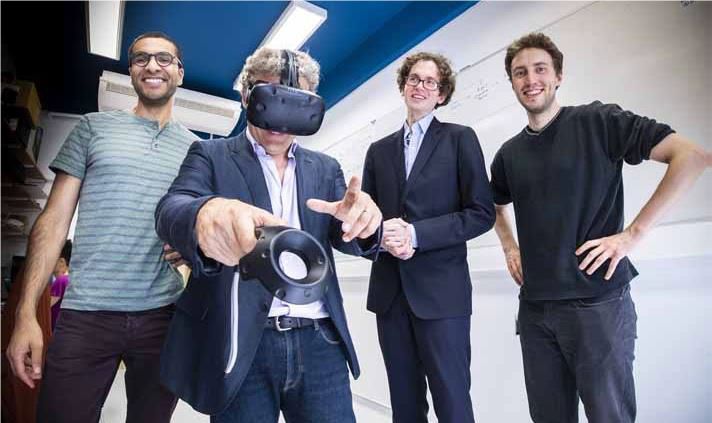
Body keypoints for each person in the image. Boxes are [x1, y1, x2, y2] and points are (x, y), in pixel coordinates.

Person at [490, 32, 710, 423]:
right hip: (536, 310)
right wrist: (509, 246)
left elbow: (690, 157)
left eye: (540, 69)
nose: (531, 79)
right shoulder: (509, 154)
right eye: (520, 73)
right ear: (512, 83)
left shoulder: (598, 121)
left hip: (598, 305)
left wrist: (632, 234)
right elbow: (493, 204)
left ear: (558, 75)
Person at [154, 47, 383, 422]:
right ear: (247, 95)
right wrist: (206, 212)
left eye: (294, 103)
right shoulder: (210, 154)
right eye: (270, 99)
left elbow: (348, 235)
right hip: (243, 340)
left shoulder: (325, 168)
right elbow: (171, 208)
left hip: (320, 341)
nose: (280, 118)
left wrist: (364, 224)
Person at [5, 31, 197, 422]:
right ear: (131, 71)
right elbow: (53, 221)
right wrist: (25, 314)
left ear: (179, 71)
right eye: (141, 58)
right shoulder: (93, 128)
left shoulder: (198, 149)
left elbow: (203, 223)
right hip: (86, 314)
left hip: (163, 317)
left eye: (163, 58)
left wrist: (191, 245)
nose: (152, 65)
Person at [361, 52, 495, 423]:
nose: (420, 86)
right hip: (391, 296)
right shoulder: (378, 151)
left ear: (442, 94)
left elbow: (481, 213)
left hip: (442, 296)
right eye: (414, 79)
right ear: (404, 86)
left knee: (452, 403)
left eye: (430, 82)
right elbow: (367, 220)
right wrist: (380, 237)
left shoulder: (459, 139)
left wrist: (416, 234)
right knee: (405, 406)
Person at [49, 240, 72, 331]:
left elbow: (44, 308)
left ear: (61, 261)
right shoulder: (70, 279)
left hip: (54, 330)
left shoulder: (61, 281)